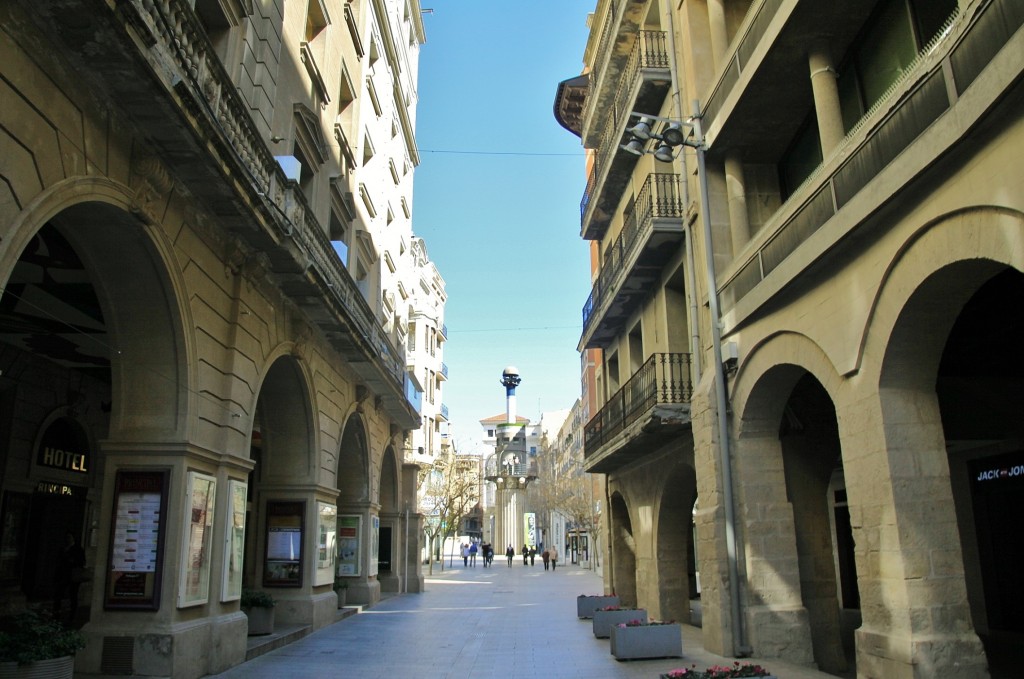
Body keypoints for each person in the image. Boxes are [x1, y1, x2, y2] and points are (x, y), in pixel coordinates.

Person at [54, 530, 86, 624]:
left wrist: (73, 561)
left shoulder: (78, 549)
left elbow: (82, 562)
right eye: (67, 537)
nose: (68, 539)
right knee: (58, 595)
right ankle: (56, 614)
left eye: (69, 537)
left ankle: (72, 615)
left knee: (73, 595)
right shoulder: (63, 548)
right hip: (63, 574)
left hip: (73, 575)